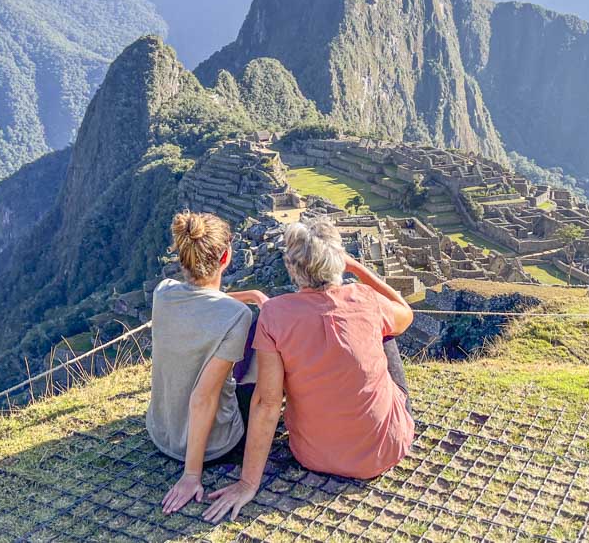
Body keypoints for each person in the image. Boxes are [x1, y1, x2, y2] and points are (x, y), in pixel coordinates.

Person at [203, 217, 415, 523]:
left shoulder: (275, 315)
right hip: (385, 447)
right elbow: (405, 313)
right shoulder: (365, 299)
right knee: (387, 332)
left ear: (292, 267)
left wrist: (248, 484)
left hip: (314, 455)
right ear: (337, 261)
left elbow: (268, 402)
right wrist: (356, 268)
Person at [147, 211, 267, 515]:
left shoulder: (163, 293)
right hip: (216, 446)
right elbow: (203, 398)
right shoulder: (237, 316)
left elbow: (202, 299)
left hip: (161, 434)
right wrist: (191, 475)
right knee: (265, 333)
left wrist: (249, 295)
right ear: (225, 257)